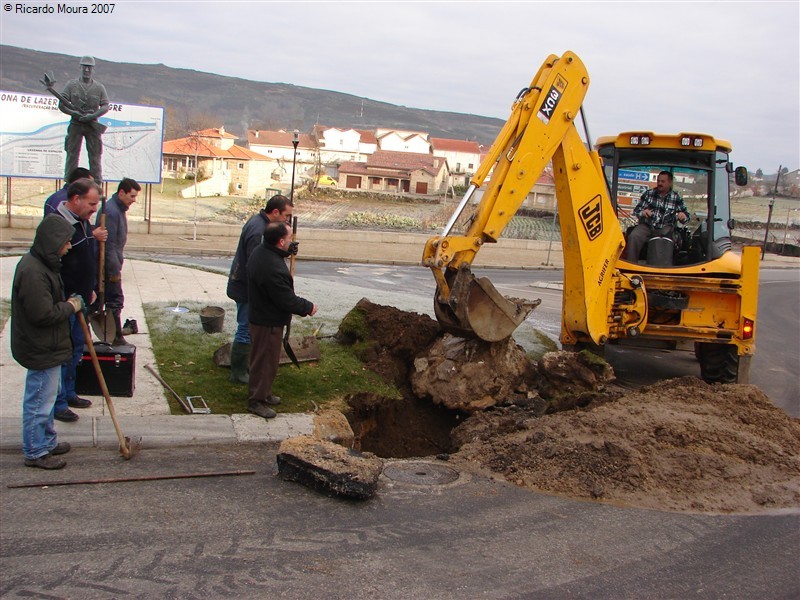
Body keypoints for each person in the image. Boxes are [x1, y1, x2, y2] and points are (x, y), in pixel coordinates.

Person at [11, 215, 87, 469]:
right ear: (54, 242)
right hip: (40, 346)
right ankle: (35, 450)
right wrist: (71, 305)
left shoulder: (43, 265)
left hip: (48, 345)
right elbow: (42, 314)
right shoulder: (33, 271)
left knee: (48, 396)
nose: (68, 248)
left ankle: (47, 441)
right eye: (66, 243)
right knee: (39, 401)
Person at [246, 221, 316, 419]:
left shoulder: (263, 251)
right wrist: (308, 307)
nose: (290, 241)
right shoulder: (271, 267)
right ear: (279, 241)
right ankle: (256, 401)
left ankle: (265, 394)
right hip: (266, 321)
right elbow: (286, 298)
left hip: (264, 316)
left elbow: (276, 254)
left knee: (269, 360)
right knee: (263, 361)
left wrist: (286, 252)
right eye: (288, 239)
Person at [52, 178, 108, 423]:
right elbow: (57, 262)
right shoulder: (57, 224)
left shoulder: (82, 222)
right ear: (76, 199)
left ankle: (70, 392)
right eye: (91, 203)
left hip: (82, 299)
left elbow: (84, 257)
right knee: (62, 353)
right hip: (65, 303)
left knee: (76, 349)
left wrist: (91, 288)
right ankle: (58, 401)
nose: (94, 209)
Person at [226, 194, 296, 384]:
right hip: (246, 288)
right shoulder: (258, 230)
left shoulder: (259, 222)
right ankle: (239, 372)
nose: (287, 220)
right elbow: (260, 263)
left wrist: (286, 250)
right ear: (275, 212)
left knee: (247, 328)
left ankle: (246, 367)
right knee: (245, 328)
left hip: (245, 285)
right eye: (286, 216)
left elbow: (268, 253)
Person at [96, 177, 140, 345]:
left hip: (113, 263)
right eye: (132, 196)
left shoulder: (117, 209)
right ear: (121, 192)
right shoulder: (112, 212)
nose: (134, 200)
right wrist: (114, 271)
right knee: (115, 300)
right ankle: (115, 338)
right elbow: (108, 246)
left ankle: (114, 334)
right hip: (110, 267)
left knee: (113, 300)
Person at [58, 56, 109, 183]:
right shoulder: (71, 85)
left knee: (95, 156)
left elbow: (105, 106)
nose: (87, 70)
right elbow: (61, 104)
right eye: (84, 67)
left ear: (93, 69)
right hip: (76, 124)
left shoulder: (99, 87)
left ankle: (97, 183)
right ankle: (69, 183)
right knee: (72, 154)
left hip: (92, 126)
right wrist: (73, 113)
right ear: (80, 67)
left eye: (89, 67)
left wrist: (92, 116)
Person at [625, 171, 689, 263]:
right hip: (647, 225)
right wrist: (643, 212)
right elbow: (636, 211)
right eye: (658, 181)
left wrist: (683, 216)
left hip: (666, 227)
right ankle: (631, 264)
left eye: (663, 181)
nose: (659, 183)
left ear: (670, 182)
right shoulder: (648, 194)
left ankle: (663, 268)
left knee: (666, 239)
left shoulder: (676, 197)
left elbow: (687, 216)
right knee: (634, 236)